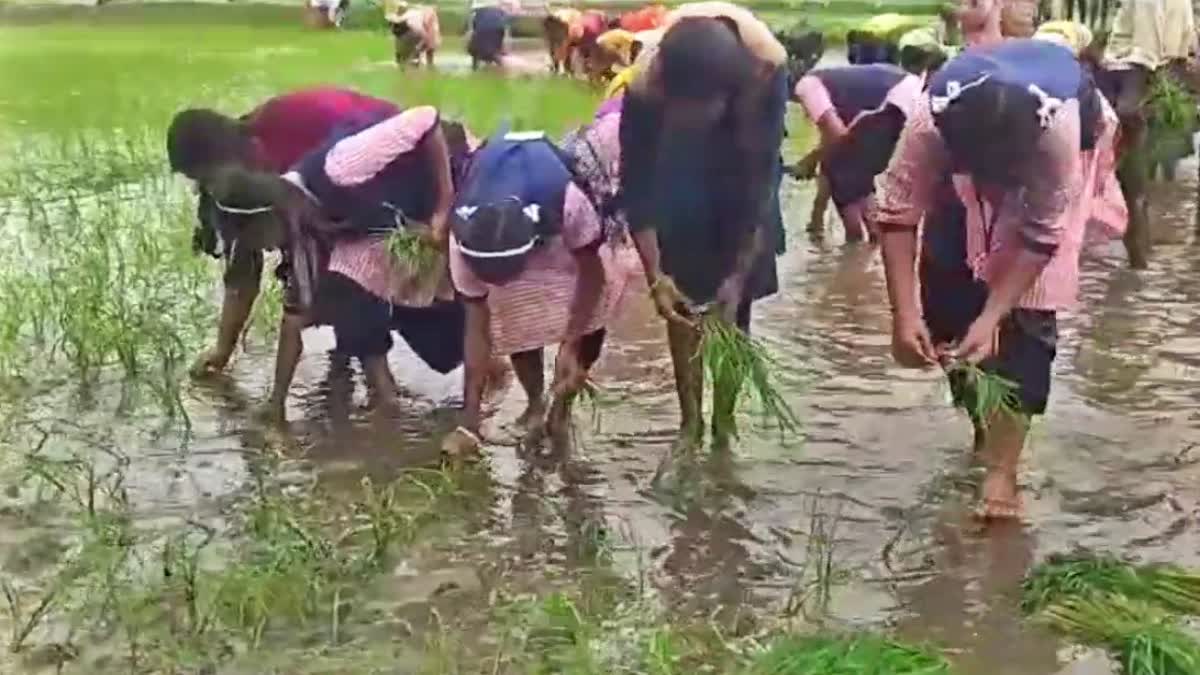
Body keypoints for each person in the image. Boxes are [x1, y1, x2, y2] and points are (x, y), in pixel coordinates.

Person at [870, 39, 1126, 520]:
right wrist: (903, 317)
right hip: (963, 160)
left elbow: (1040, 235)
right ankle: (984, 429)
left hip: (1054, 161)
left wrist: (993, 317)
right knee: (948, 306)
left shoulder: (1057, 136)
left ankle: (1002, 471)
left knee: (1028, 316)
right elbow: (898, 217)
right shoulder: (930, 124)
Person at [195, 107, 501, 420]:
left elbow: (426, 119)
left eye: (258, 243)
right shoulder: (301, 229)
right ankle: (387, 396)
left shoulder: (339, 167)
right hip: (404, 222)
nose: (268, 249)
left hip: (455, 177)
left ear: (266, 220)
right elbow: (293, 322)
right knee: (356, 294)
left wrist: (444, 204)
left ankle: (494, 383)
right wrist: (276, 405)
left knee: (466, 304)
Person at [619, 2, 789, 450]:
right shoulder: (644, 89)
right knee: (680, 301)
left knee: (734, 313)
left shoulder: (763, 78)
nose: (696, 117)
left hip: (742, 169)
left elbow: (760, 185)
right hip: (679, 174)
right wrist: (657, 275)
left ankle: (724, 426)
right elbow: (636, 186)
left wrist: (736, 276)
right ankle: (690, 424)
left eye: (705, 107)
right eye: (686, 107)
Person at [166, 87, 399, 387]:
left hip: (386, 160)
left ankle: (379, 387)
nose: (209, 190)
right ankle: (355, 362)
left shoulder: (287, 132)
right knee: (320, 276)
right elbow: (242, 270)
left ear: (219, 160)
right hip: (337, 191)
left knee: (347, 274)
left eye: (207, 179)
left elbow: (345, 231)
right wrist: (223, 349)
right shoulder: (233, 187)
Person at [439, 123, 638, 456]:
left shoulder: (568, 202)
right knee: (517, 318)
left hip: (559, 220)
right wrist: (468, 422)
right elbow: (476, 330)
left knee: (589, 325)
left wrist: (571, 345)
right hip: (509, 200)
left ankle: (562, 406)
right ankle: (535, 402)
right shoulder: (461, 238)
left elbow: (594, 276)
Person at [791, 64, 924, 241]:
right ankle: (869, 248)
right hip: (907, 95)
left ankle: (855, 247)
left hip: (895, 104)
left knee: (842, 173)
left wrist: (809, 160)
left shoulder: (806, 86)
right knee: (854, 173)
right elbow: (835, 139)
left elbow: (837, 134)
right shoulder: (831, 81)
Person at [386, 3, 442, 67]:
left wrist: (391, 18)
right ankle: (418, 63)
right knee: (424, 52)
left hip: (417, 34)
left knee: (415, 51)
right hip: (423, 35)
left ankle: (410, 63)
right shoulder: (420, 13)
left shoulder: (410, 13)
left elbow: (398, 21)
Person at [467, 1, 511, 69]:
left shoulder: (478, 12)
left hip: (485, 31)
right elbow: (505, 31)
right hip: (496, 29)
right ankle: (501, 65)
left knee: (476, 50)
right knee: (491, 52)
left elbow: (473, 30)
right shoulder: (500, 12)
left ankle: (475, 67)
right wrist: (504, 47)